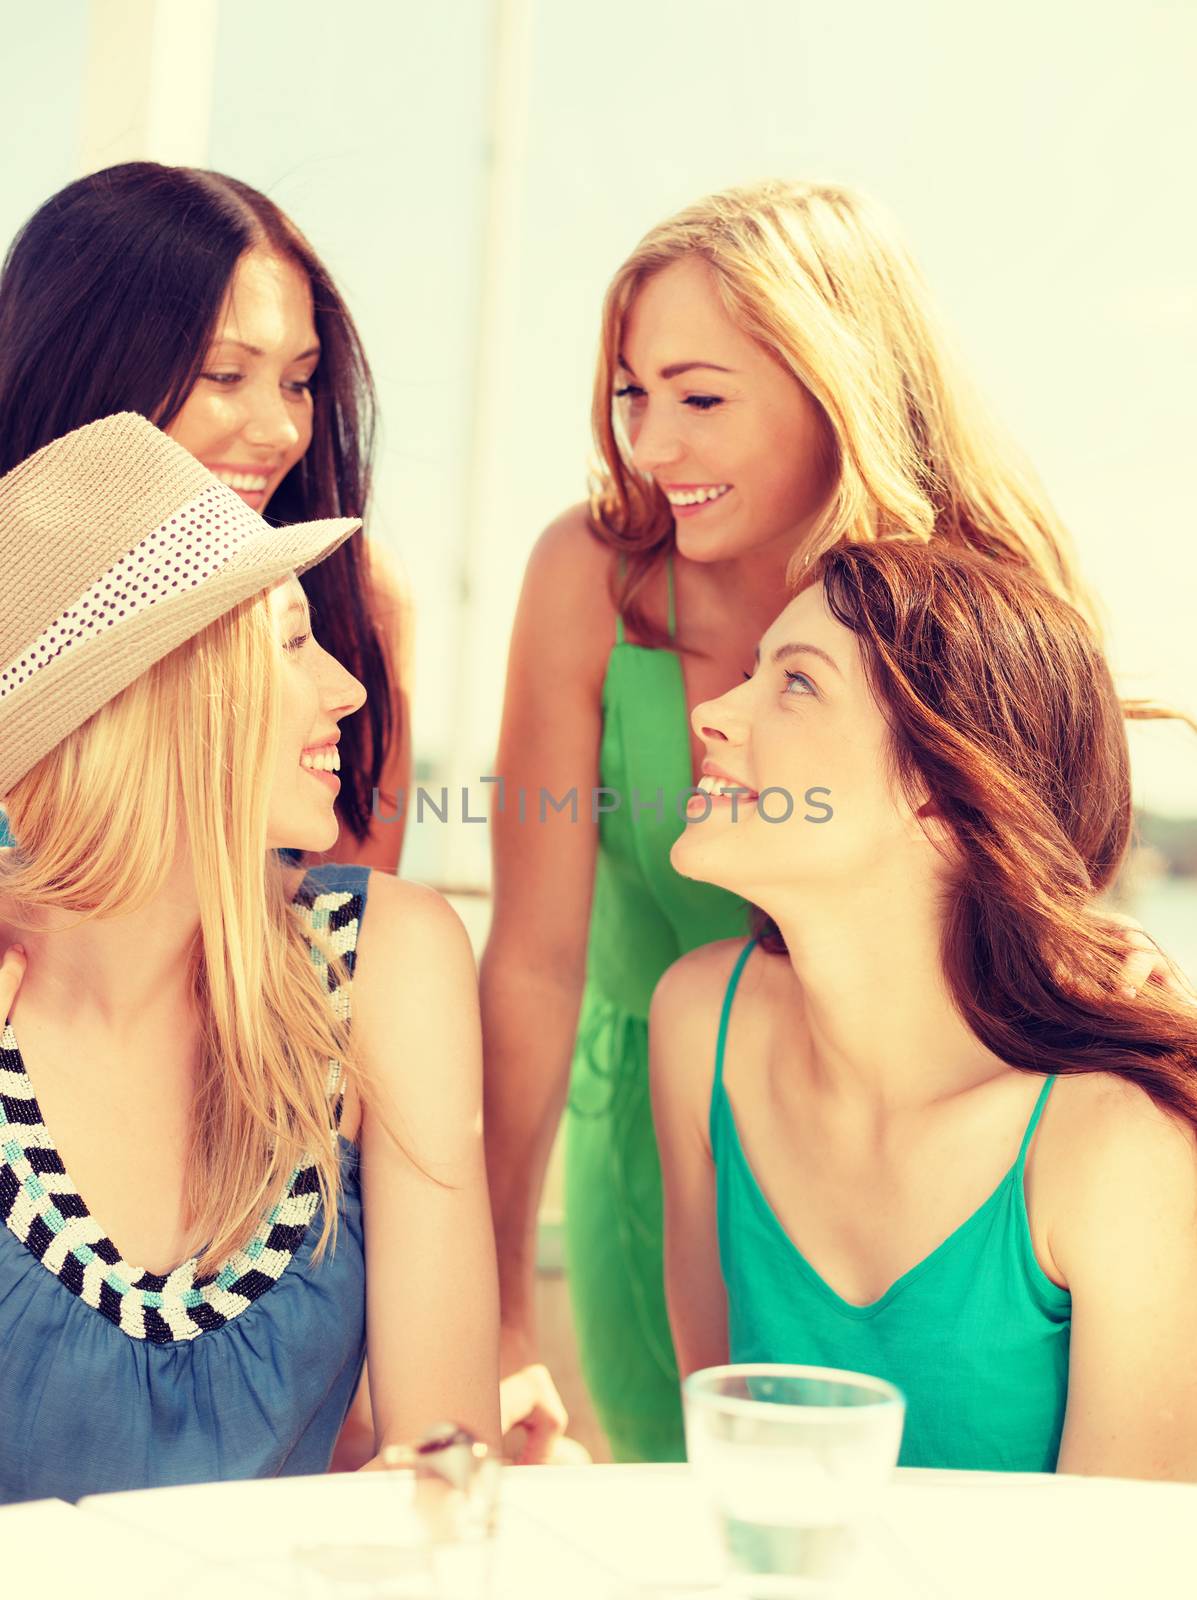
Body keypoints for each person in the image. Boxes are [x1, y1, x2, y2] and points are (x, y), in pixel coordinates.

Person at [483, 178, 1181, 1464]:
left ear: (832, 384)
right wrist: (498, 1299)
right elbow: (531, 955)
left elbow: (1043, 871)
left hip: (956, 1151)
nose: (653, 446)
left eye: (702, 398)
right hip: (685, 1113)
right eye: (632, 395)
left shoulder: (974, 604)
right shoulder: (589, 576)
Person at [0, 415, 498, 1504]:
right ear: (158, 693)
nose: (348, 691)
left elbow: (447, 1477)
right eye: (289, 641)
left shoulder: (385, 967)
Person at [650, 539, 1197, 1478]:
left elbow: (1120, 1567)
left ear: (942, 795)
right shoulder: (702, 1025)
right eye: (752, 672)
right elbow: (730, 1459)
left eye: (796, 684)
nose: (712, 713)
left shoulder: (1117, 1145)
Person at [0, 161, 410, 870]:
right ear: (88, 363)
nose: (280, 429)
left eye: (298, 382)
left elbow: (348, 907)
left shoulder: (355, 591)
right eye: (224, 374)